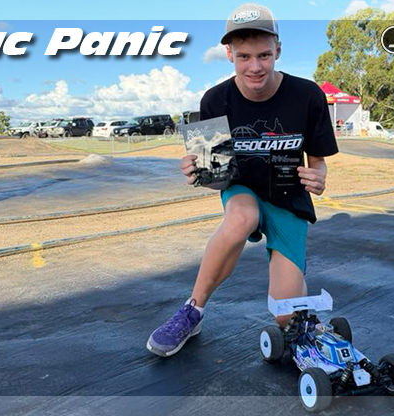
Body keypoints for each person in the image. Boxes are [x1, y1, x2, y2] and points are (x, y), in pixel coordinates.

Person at [147, 3, 338, 357]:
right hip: (242, 189)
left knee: (286, 317)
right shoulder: (215, 100)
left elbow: (318, 162)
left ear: (278, 49)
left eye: (264, 55)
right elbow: (216, 178)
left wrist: (319, 178)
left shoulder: (308, 95)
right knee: (241, 217)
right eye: (244, 56)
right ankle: (193, 310)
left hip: (288, 198)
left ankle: (299, 301)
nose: (255, 66)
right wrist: (198, 173)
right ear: (229, 54)